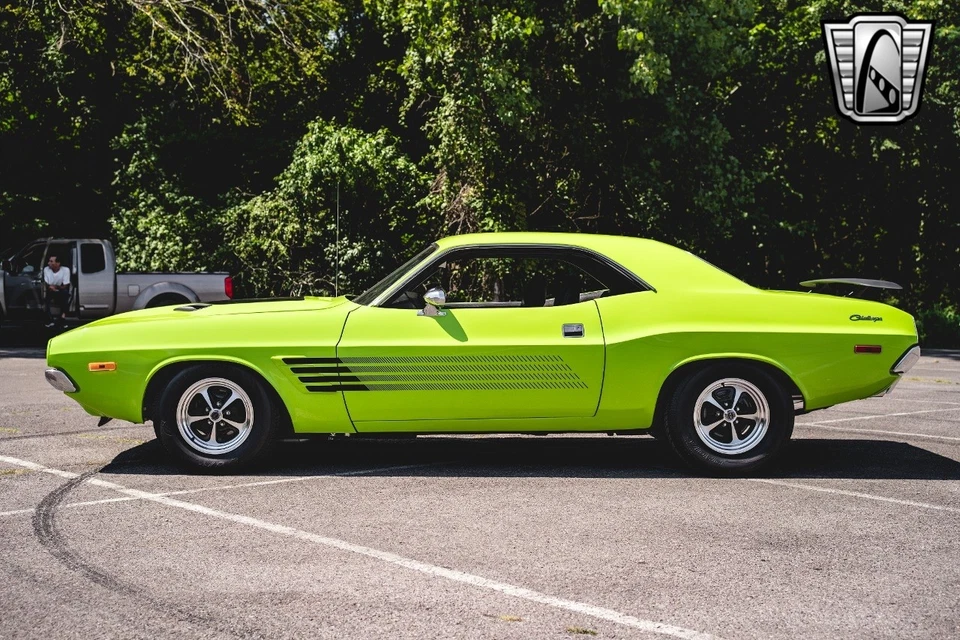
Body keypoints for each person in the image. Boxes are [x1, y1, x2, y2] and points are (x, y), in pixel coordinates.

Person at [43, 255, 71, 328]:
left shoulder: (65, 270)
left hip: (60, 289)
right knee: (46, 300)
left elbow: (65, 285)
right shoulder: (46, 269)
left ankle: (62, 317)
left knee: (65, 294)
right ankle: (50, 320)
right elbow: (47, 283)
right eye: (49, 261)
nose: (49, 263)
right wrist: (51, 287)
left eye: (51, 261)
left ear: (58, 263)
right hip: (50, 290)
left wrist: (56, 287)